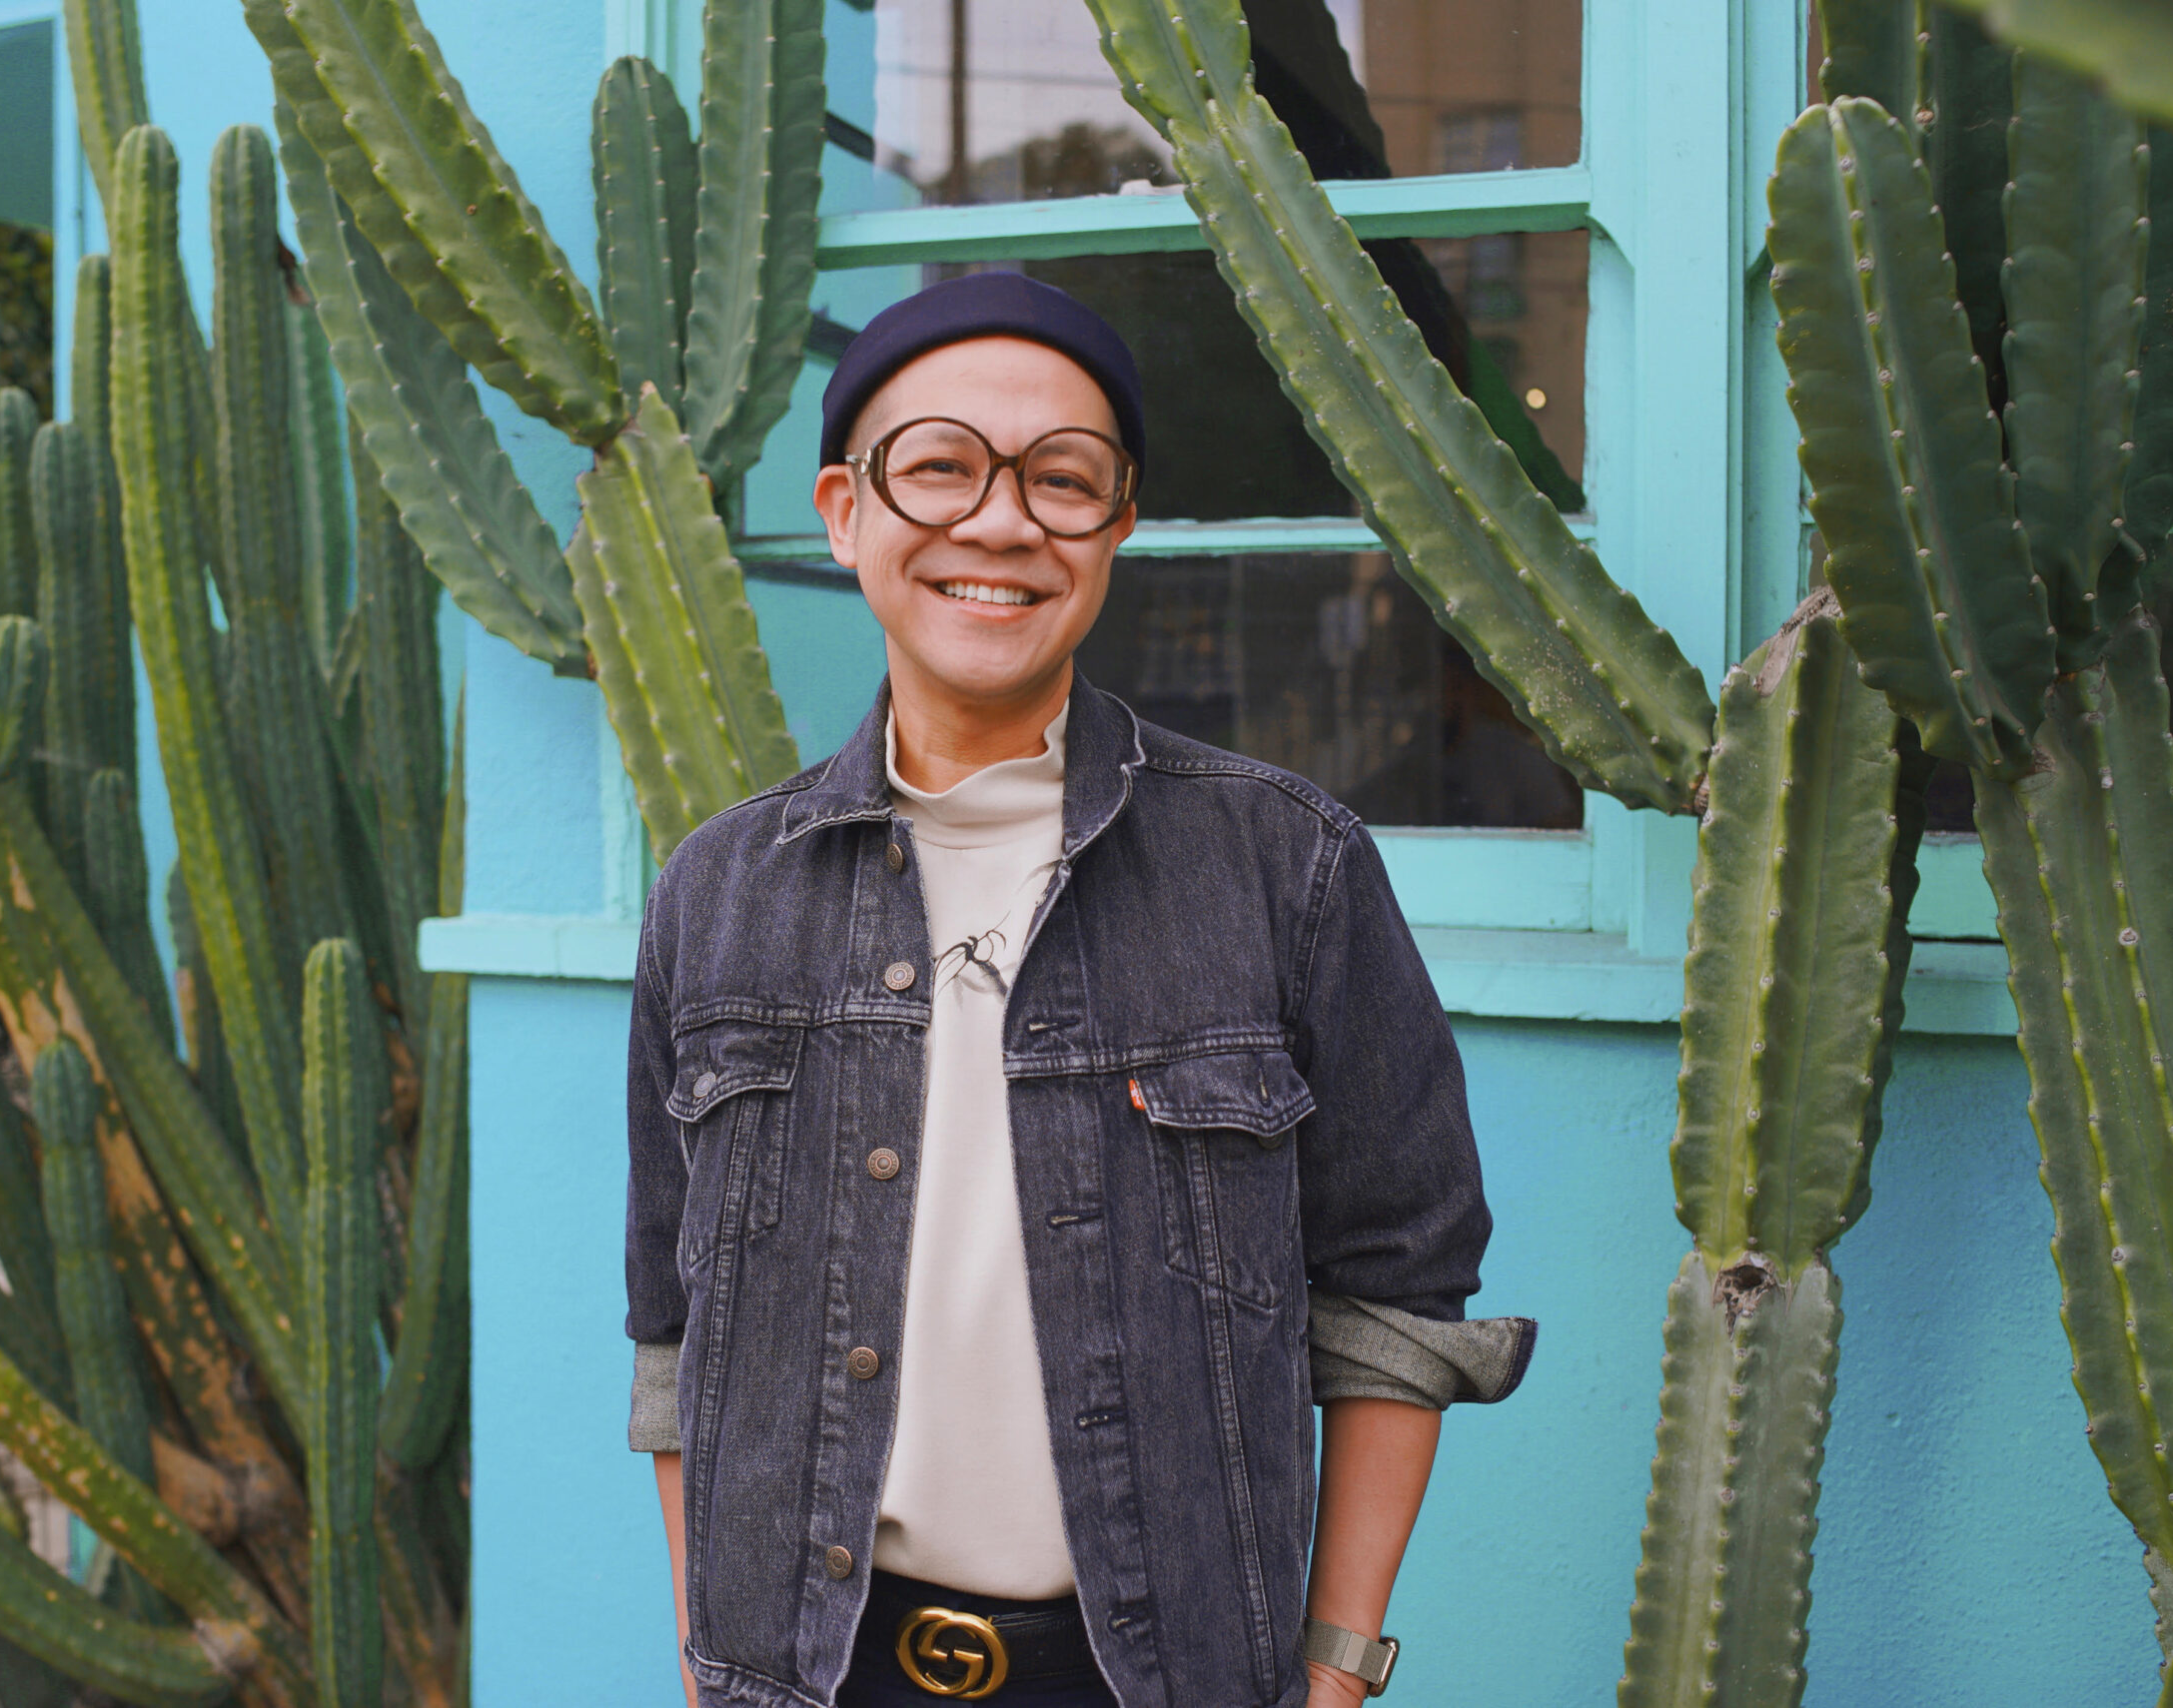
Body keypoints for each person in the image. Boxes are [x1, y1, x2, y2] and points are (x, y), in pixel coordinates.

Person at [624, 272, 1534, 1708]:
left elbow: (1397, 1301)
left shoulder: (1284, 865)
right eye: (939, 466)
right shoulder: (717, 890)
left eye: (1063, 478)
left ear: (1115, 526)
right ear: (847, 510)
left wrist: (1335, 1674)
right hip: (806, 1676)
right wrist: (705, 1665)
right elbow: (678, 1336)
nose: (999, 519)